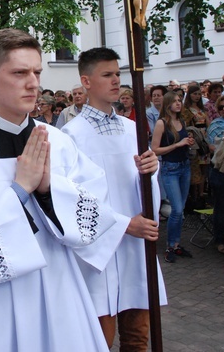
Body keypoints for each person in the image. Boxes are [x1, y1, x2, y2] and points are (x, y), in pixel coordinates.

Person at [0, 28, 120, 351]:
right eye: (19, 72)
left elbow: (97, 217)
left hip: (59, 299)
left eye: (37, 72)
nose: (33, 83)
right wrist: (17, 192)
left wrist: (49, 190)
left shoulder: (58, 142)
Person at [62, 47, 165, 351]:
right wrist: (122, 224)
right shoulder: (71, 135)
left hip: (134, 249)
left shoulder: (134, 129)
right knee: (98, 340)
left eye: (118, 74)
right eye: (106, 75)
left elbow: (142, 184)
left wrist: (151, 170)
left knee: (138, 336)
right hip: (98, 252)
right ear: (86, 81)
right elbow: (72, 199)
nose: (115, 81)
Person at [152, 91, 195, 263]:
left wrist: (189, 142)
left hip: (184, 166)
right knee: (176, 209)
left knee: (181, 208)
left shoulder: (182, 121)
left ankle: (176, 244)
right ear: (168, 103)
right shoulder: (162, 123)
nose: (179, 103)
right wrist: (178, 144)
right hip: (170, 168)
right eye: (175, 101)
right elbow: (155, 149)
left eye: (180, 101)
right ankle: (170, 245)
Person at [206, 95, 224, 254]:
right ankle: (220, 239)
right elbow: (213, 147)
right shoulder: (216, 125)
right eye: (221, 107)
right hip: (220, 170)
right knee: (221, 206)